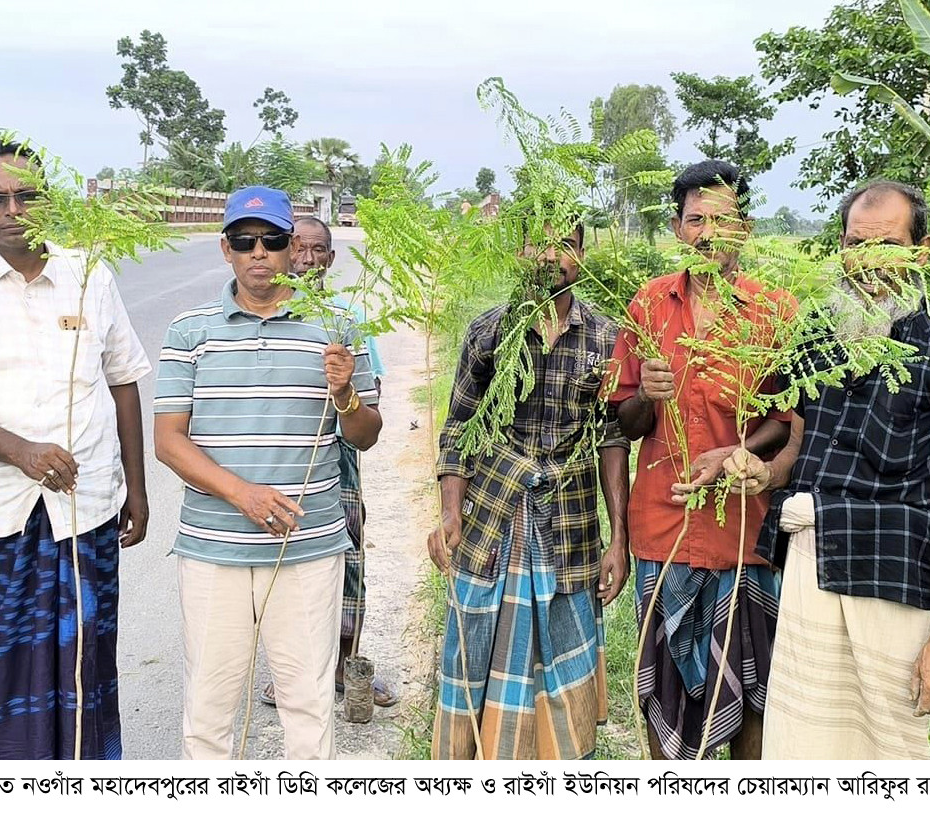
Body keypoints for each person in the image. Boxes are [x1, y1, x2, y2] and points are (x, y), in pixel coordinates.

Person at [726, 180, 930, 759]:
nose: (868, 263)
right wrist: (764, 472)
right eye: (855, 245)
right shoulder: (818, 333)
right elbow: (803, 449)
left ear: (921, 252)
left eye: (888, 246)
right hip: (811, 570)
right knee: (802, 752)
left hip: (895, 586)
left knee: (890, 757)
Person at [0, 141, 150, 759]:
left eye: (27, 194)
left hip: (87, 511)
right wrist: (21, 452)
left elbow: (122, 383)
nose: (14, 208)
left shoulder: (92, 273)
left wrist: (136, 491)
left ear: (49, 200)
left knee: (87, 666)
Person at [153, 186, 382, 760]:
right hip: (213, 548)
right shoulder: (190, 331)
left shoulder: (336, 327)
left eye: (272, 240)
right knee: (209, 710)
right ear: (225, 249)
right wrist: (243, 494)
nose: (259, 252)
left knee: (307, 707)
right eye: (244, 241)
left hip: (309, 546)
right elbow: (167, 441)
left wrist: (345, 392)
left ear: (291, 248)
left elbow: (366, 434)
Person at [427, 213, 630, 759]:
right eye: (537, 243)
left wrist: (619, 539)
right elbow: (460, 432)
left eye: (565, 243)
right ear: (519, 253)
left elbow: (613, 440)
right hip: (493, 522)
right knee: (480, 667)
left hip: (569, 528)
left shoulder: (610, 338)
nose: (550, 256)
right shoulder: (489, 332)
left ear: (583, 255)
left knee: (563, 668)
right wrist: (451, 511)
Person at [608, 160, 791, 760]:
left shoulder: (778, 312)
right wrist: (646, 396)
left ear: (746, 227)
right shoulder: (649, 305)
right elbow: (623, 422)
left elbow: (788, 419)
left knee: (751, 701)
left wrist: (739, 450)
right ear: (677, 227)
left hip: (745, 529)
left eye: (723, 219)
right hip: (664, 524)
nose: (709, 233)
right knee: (661, 695)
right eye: (695, 220)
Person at [259, 215, 397, 710]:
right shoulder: (263, 312)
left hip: (337, 458)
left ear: (331, 260)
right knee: (283, 567)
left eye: (318, 250)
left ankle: (347, 663)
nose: (306, 258)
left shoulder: (345, 317)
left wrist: (346, 395)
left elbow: (369, 402)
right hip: (282, 463)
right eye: (296, 247)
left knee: (349, 561)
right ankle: (288, 670)